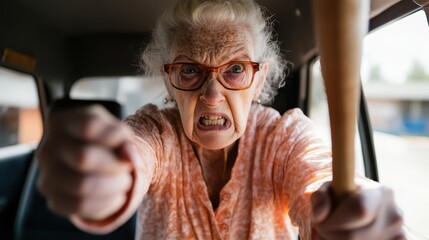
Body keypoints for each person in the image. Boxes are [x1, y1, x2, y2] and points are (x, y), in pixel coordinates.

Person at [36, 0, 405, 239]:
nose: (212, 95)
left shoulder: (282, 136)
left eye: (236, 69)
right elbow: (134, 153)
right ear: (169, 80)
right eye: (188, 70)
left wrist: (349, 208)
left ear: (258, 79)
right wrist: (110, 171)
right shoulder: (156, 131)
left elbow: (318, 173)